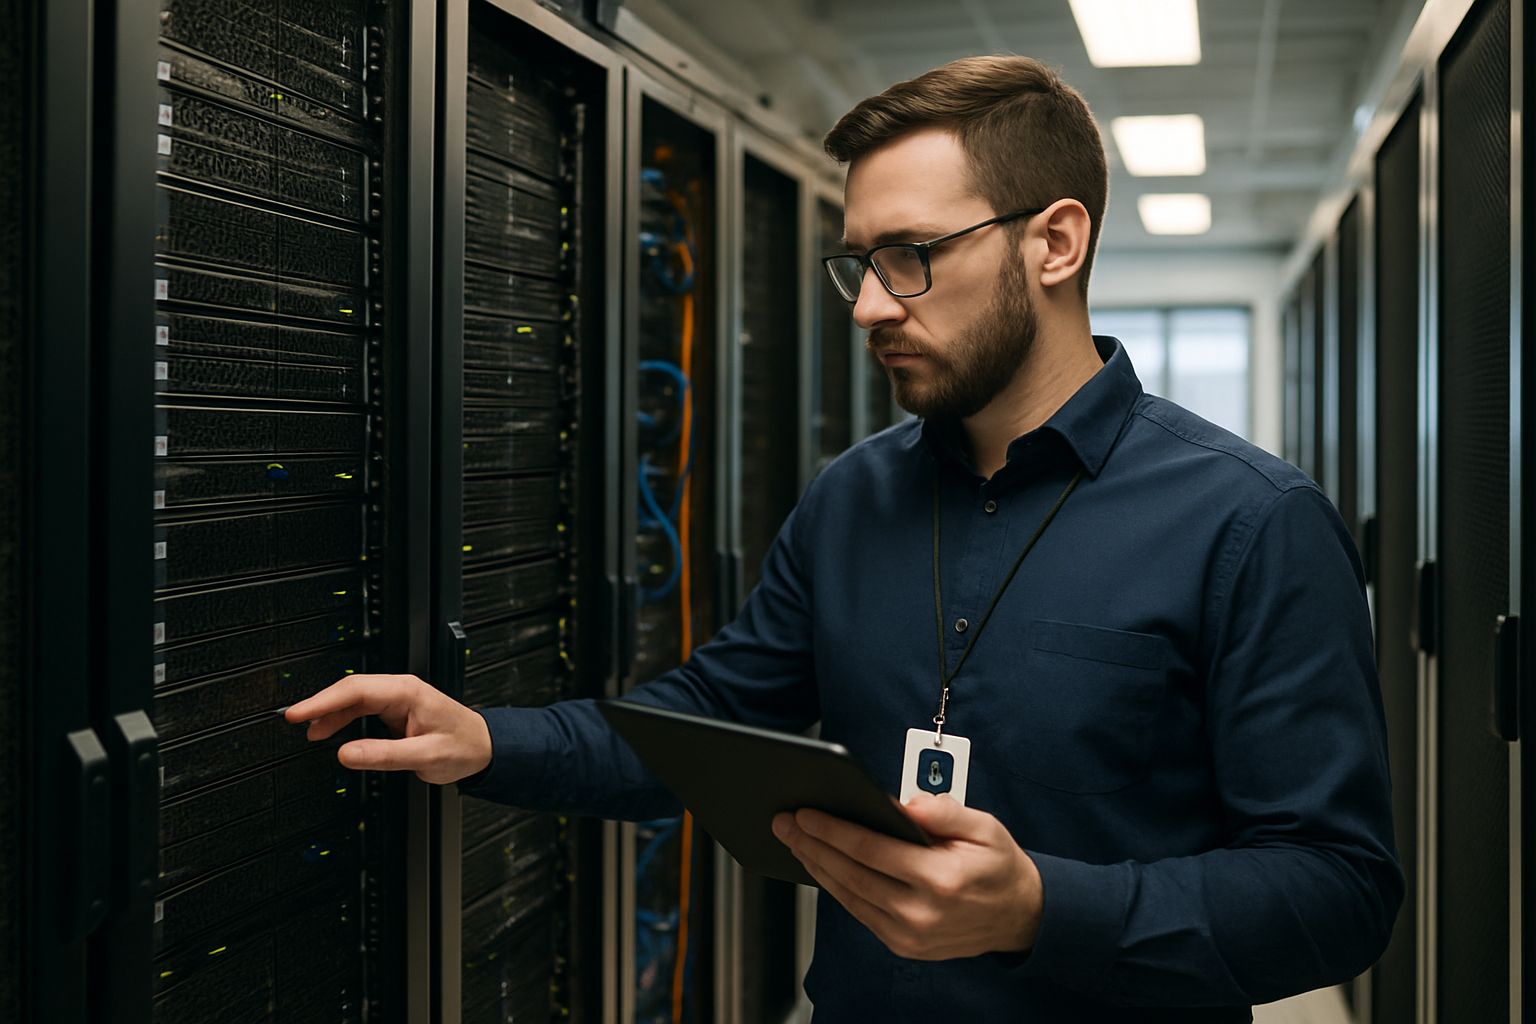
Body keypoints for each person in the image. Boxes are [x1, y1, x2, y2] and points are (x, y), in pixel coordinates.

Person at [287, 54, 1402, 1021]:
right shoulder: (850, 498)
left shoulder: (1251, 522)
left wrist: (1041, 909)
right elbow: (709, 721)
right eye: (858, 262)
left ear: (1055, 242)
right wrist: (487, 737)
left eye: (911, 254)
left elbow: (1337, 887)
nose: (869, 305)